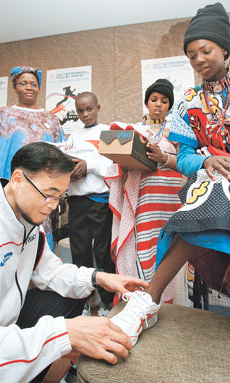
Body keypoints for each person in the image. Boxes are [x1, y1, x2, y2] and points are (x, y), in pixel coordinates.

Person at [111, 2, 230, 345]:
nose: (199, 60)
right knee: (206, 197)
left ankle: (148, 300)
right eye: (192, 55)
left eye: (206, 50)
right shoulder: (188, 102)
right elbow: (183, 158)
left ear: (224, 47)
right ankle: (148, 302)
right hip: (209, 187)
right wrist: (206, 162)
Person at [0, 141, 149, 383]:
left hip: (7, 323)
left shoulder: (30, 225)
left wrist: (99, 277)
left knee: (72, 293)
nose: (52, 207)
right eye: (49, 195)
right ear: (17, 180)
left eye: (60, 198)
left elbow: (51, 272)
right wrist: (63, 334)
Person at [105, 79, 187, 305]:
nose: (158, 105)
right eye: (154, 100)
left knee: (168, 247)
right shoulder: (134, 131)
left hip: (169, 201)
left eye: (164, 101)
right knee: (141, 244)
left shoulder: (176, 132)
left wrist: (164, 157)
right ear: (146, 102)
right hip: (141, 199)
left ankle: (167, 302)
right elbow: (116, 159)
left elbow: (184, 164)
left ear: (169, 105)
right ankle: (140, 300)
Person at [0, 65, 64, 251]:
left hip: (44, 193)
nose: (28, 87)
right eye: (23, 83)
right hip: (10, 190)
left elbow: (62, 155)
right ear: (15, 87)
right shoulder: (2, 115)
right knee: (6, 246)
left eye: (33, 84)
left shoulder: (51, 119)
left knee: (40, 250)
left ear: (39, 87)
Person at [57, 91, 115, 314]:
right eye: (80, 111)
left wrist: (88, 165)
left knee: (103, 252)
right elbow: (66, 163)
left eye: (89, 109)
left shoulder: (108, 132)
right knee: (79, 252)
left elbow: (113, 166)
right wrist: (69, 171)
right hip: (77, 202)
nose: (85, 114)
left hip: (100, 201)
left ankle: (108, 302)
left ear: (98, 107)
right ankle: (86, 301)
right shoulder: (72, 137)